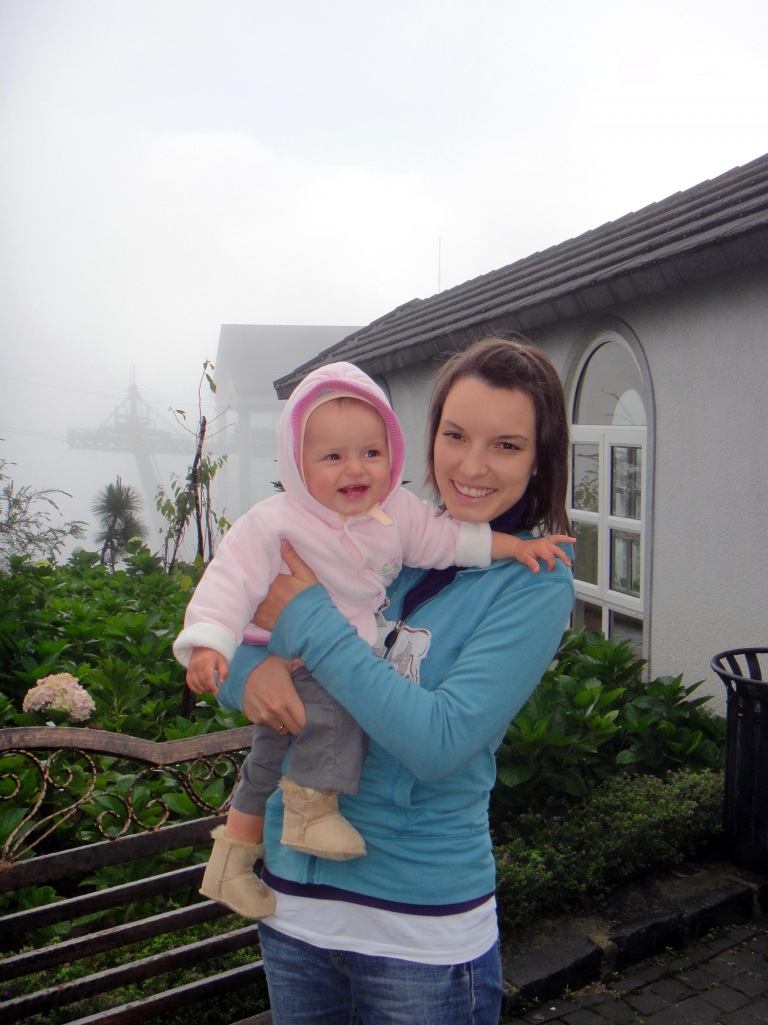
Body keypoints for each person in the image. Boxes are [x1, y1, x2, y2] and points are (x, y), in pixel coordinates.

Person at [217, 337, 577, 1025]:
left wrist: (311, 621)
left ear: (540, 458)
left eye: (506, 445)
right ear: (427, 436)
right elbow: (243, 620)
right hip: (294, 911)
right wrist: (247, 672)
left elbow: (440, 742)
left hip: (419, 935)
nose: (472, 466)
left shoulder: (533, 583)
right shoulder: (374, 527)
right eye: (455, 435)